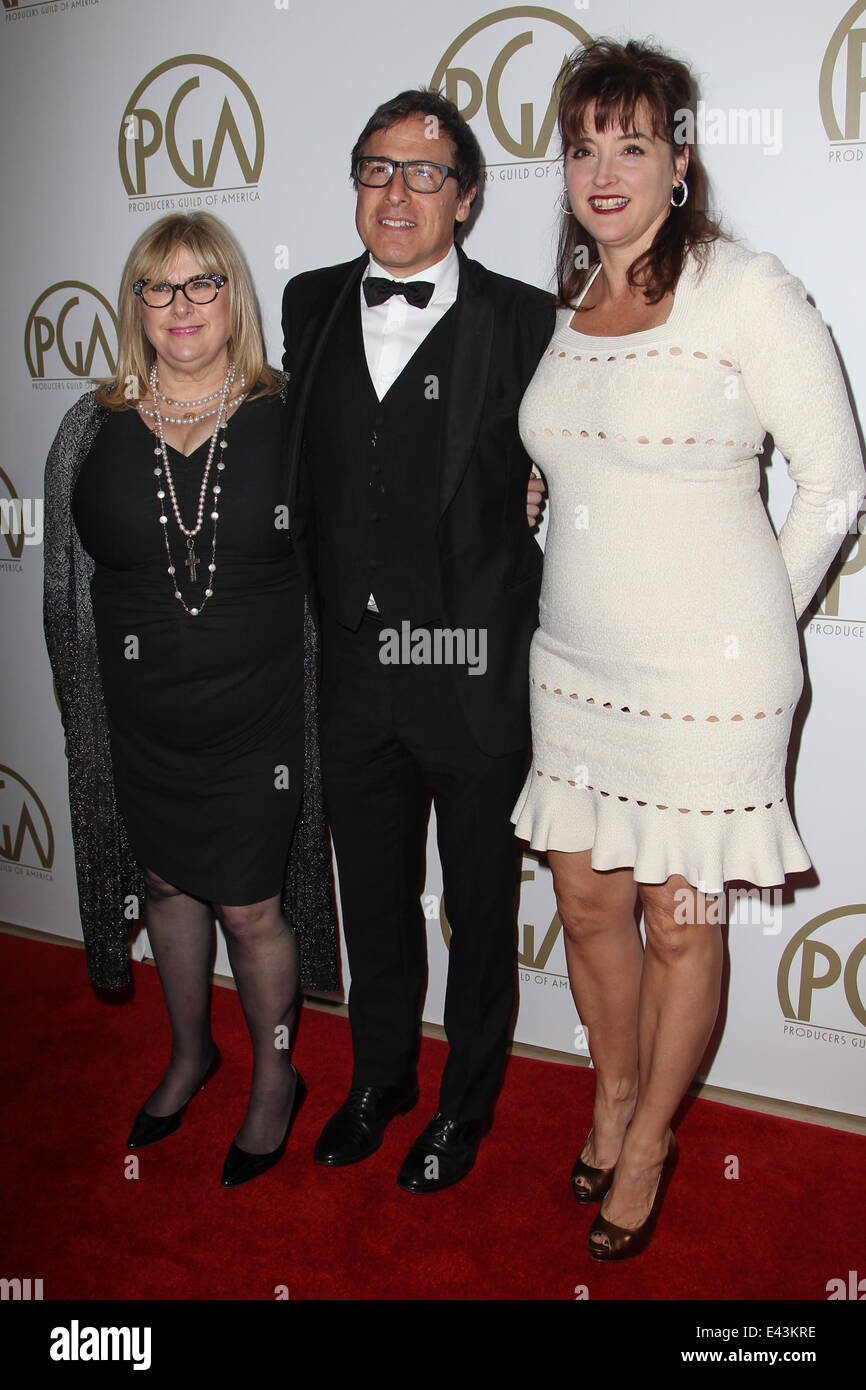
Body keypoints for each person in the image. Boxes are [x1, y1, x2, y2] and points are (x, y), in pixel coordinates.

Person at [511, 37, 865, 1259]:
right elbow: (584, 454)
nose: (602, 169)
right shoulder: (570, 307)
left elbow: (831, 483)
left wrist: (744, 620)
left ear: (679, 161)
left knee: (680, 917)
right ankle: (609, 1090)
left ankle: (652, 1134)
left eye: (631, 143)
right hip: (572, 669)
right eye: (580, 146)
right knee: (585, 898)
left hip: (710, 691)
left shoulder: (742, 288)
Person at [281, 90, 556, 1193]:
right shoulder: (303, 304)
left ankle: (463, 1105)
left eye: (423, 172)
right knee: (373, 898)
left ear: (468, 198)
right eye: (374, 169)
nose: (395, 192)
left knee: (481, 908)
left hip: (472, 680)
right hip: (353, 672)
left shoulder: (527, 319)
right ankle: (378, 1080)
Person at [43, 212, 337, 1189]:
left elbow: (361, 540)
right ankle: (188, 1052)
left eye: (201, 283)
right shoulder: (90, 425)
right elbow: (65, 589)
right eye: (156, 286)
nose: (179, 305)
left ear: (232, 297)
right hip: (140, 718)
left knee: (252, 910)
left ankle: (275, 1078)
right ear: (134, 305)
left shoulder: (290, 415)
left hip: (259, 724)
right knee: (164, 885)